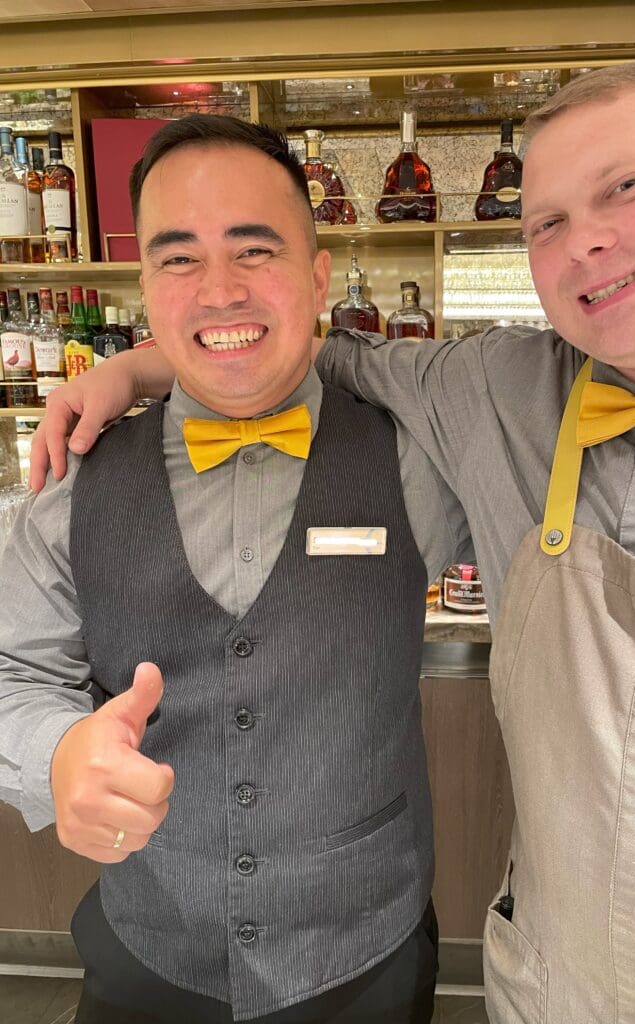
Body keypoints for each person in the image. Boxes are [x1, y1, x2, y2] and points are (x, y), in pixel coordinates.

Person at [28, 58, 635, 1022]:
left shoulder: (430, 434)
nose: (588, 243)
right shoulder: (492, 393)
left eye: (627, 187)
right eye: (544, 222)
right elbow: (284, 342)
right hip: (549, 985)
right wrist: (135, 366)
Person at [0, 115, 475, 1024]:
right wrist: (55, 753)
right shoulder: (75, 480)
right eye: (178, 258)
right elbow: (9, 667)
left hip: (364, 957)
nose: (219, 289)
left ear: (318, 275)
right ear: (145, 285)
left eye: (254, 249)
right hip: (145, 950)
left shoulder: (421, 455)